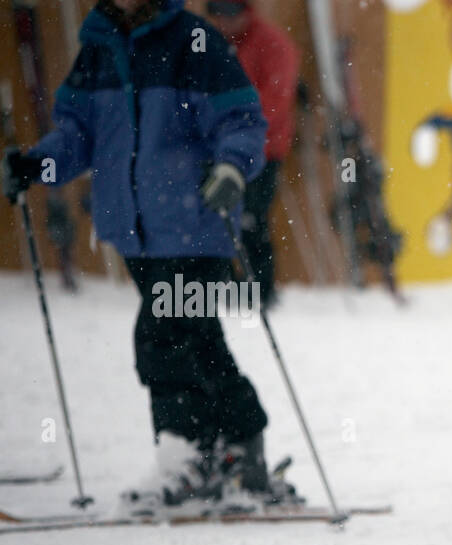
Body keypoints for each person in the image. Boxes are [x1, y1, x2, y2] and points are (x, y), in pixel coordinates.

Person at [2, 0, 272, 508]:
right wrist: (37, 165)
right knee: (197, 337)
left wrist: (233, 166)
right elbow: (79, 134)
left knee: (163, 334)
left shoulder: (195, 39)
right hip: (137, 230)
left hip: (195, 222)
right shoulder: (99, 47)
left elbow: (240, 118)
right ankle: (239, 446)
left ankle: (186, 456)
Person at [207, 0, 300, 310]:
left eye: (229, 13)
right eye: (215, 12)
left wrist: (230, 117)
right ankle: (224, 287)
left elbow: (274, 100)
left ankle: (260, 289)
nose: (223, 20)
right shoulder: (211, 43)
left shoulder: (273, 45)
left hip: (262, 150)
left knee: (251, 220)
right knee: (215, 218)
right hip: (218, 149)